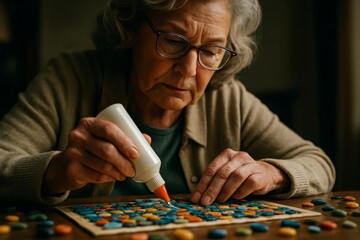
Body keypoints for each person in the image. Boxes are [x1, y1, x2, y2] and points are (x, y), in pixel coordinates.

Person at [0, 0, 335, 205]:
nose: (188, 71)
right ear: (129, 29)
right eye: (174, 41)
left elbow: (318, 163)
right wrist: (55, 173)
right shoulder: (69, 79)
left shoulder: (227, 97)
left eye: (210, 51)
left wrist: (270, 173)